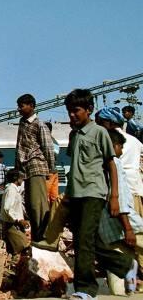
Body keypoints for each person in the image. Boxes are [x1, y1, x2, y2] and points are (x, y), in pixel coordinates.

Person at [64, 88, 129, 300]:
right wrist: (66, 196)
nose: (72, 115)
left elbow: (111, 165)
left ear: (89, 110)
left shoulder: (100, 132)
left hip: (94, 192)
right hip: (75, 194)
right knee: (87, 240)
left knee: (84, 241)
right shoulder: (73, 135)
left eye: (77, 111)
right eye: (69, 111)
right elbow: (73, 166)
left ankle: (85, 289)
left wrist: (115, 197)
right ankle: (126, 265)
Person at [98, 129, 143, 295]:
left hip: (107, 228)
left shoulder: (97, 164)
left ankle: (122, 292)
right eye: (120, 147)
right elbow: (120, 199)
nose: (122, 151)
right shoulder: (115, 163)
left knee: (118, 265)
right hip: (126, 223)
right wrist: (128, 228)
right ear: (113, 146)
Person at [14, 93, 55, 242]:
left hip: (37, 166)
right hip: (26, 168)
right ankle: (37, 234)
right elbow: (19, 147)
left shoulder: (39, 124)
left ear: (31, 106)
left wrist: (51, 168)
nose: (19, 109)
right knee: (31, 204)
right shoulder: (22, 123)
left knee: (38, 204)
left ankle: (43, 236)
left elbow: (47, 147)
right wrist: (18, 168)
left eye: (22, 105)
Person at [0, 169, 30, 254]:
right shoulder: (11, 190)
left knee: (19, 246)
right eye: (21, 178)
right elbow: (7, 208)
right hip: (11, 224)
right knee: (23, 247)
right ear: (16, 178)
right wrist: (19, 220)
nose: (23, 180)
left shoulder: (14, 189)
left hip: (14, 223)